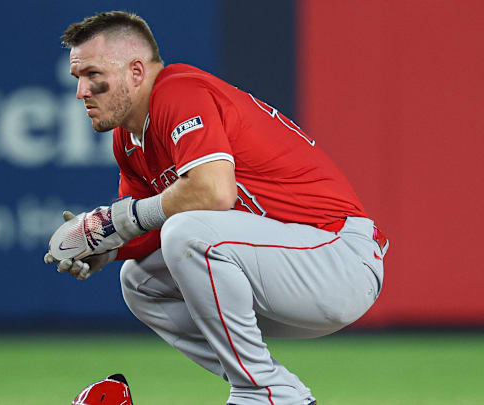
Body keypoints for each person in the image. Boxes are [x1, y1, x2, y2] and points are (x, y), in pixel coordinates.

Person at [44, 11, 388, 405]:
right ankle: (275, 388)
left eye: (92, 75)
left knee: (188, 234)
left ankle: (262, 392)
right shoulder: (127, 140)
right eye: (78, 79)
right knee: (139, 283)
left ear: (136, 72)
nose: (81, 91)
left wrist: (122, 220)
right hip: (279, 267)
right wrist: (110, 247)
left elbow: (213, 192)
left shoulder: (178, 91)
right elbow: (148, 224)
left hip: (337, 257)